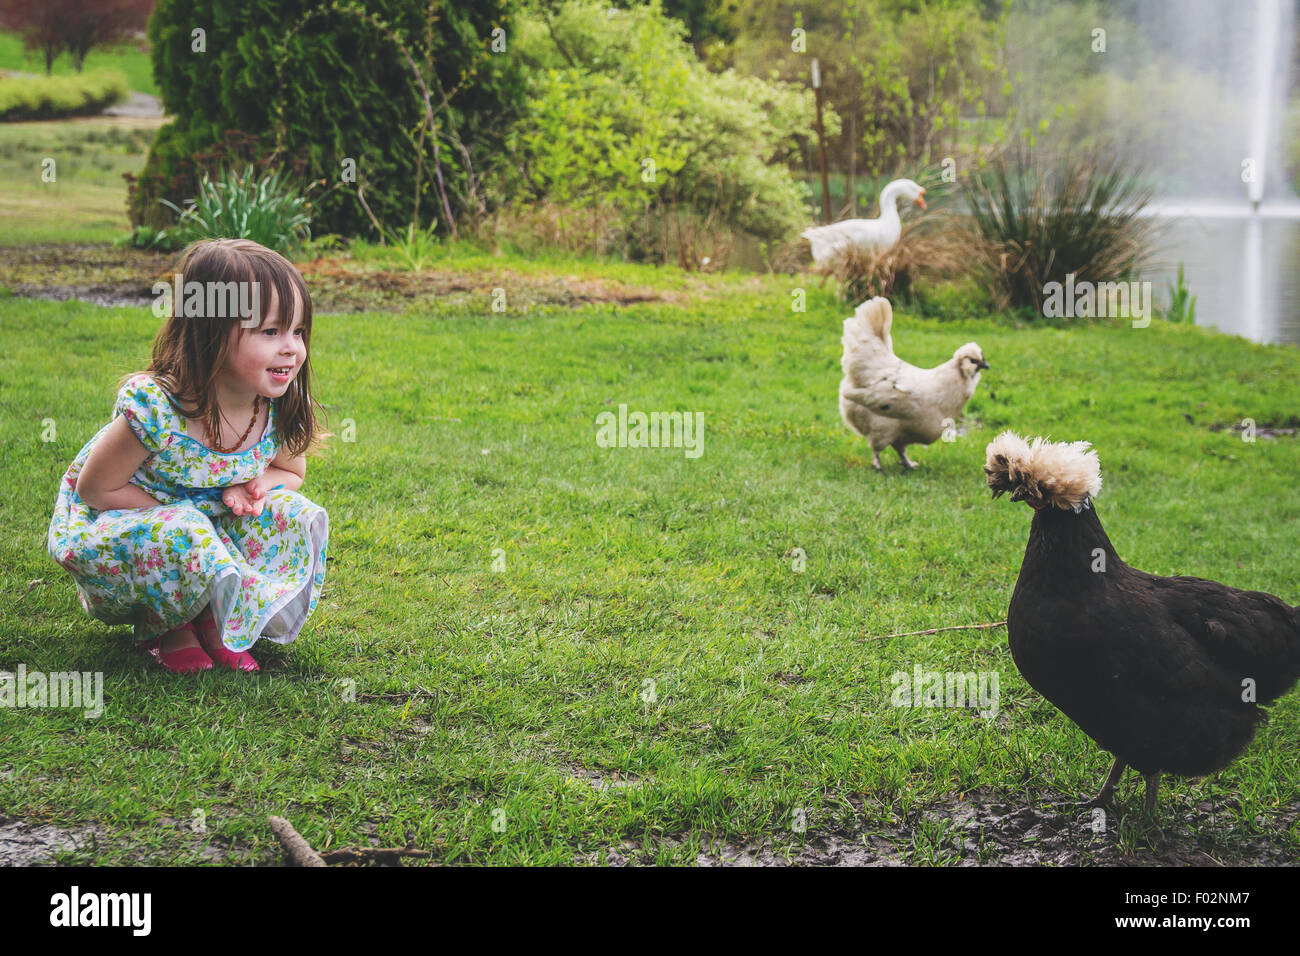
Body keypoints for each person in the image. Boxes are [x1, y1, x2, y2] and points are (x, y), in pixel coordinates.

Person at [46, 238, 330, 673]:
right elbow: (95, 489)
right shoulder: (160, 409)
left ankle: (219, 619)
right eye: (270, 332)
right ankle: (167, 627)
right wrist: (186, 517)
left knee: (290, 510)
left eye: (298, 331)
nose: (291, 347)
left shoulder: (280, 403)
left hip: (206, 521)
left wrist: (253, 486)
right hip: (127, 526)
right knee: (184, 530)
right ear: (210, 331)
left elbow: (291, 472)